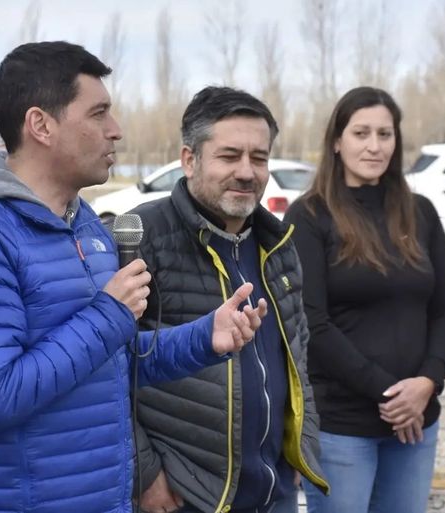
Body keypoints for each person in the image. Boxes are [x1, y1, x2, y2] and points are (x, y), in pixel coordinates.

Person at [0, 41, 267, 513]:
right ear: (41, 125)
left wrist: (205, 337)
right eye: (98, 114)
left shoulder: (85, 223)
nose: (115, 131)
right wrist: (110, 312)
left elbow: (114, 360)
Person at [129, 86, 329, 513]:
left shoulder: (278, 244)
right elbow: (107, 374)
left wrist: (299, 447)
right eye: (229, 156)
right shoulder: (143, 237)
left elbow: (297, 356)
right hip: (184, 496)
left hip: (272, 492)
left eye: (259, 158)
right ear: (189, 159)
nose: (246, 171)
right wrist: (144, 474)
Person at [283, 87, 445, 513]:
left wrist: (427, 383)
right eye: (361, 133)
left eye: (385, 133)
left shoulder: (421, 213)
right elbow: (312, 322)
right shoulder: (309, 216)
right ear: (337, 141)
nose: (374, 145)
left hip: (417, 422)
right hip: (343, 425)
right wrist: (391, 394)